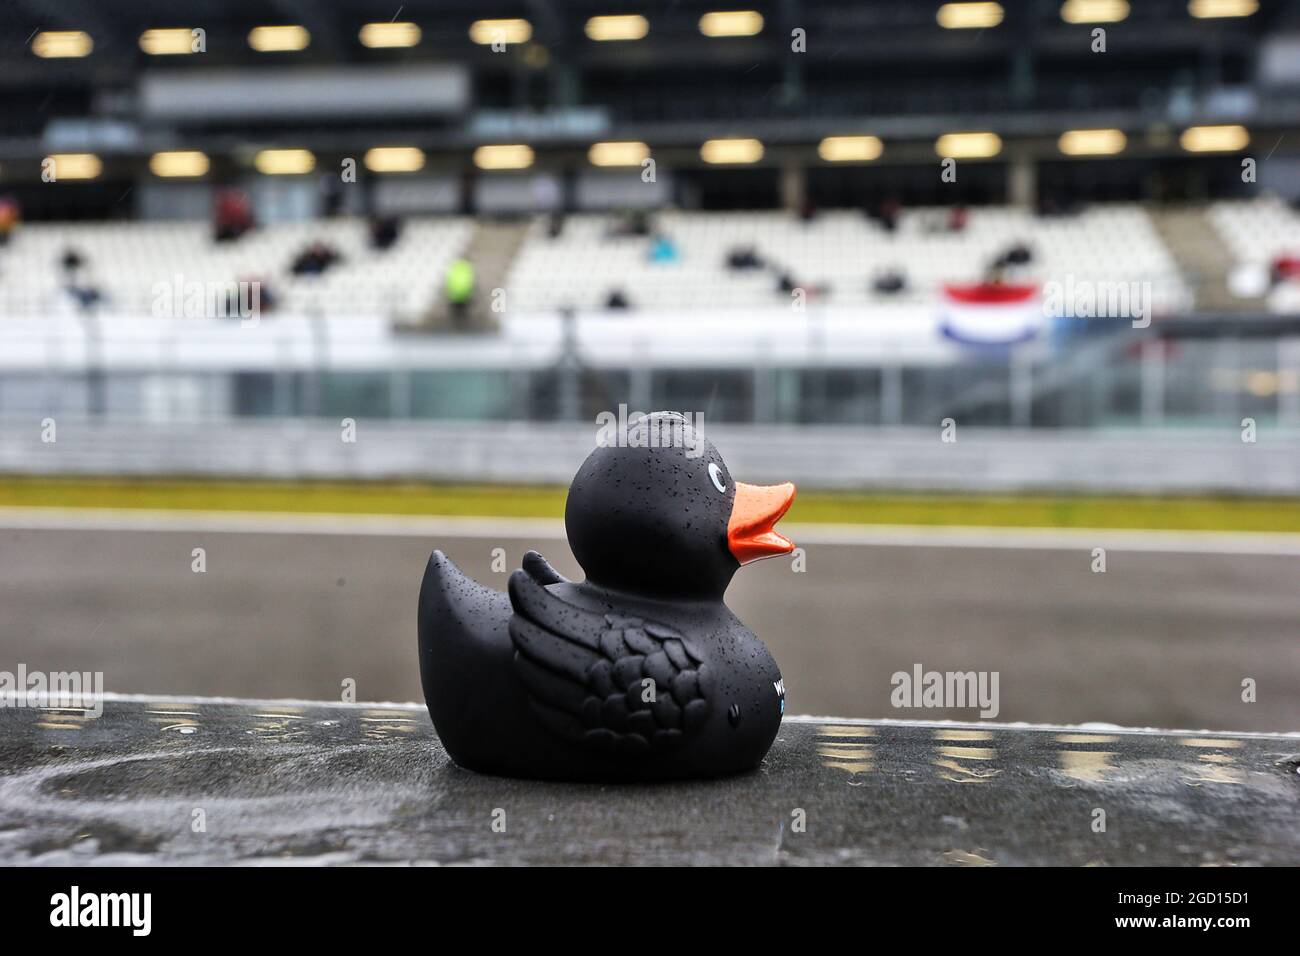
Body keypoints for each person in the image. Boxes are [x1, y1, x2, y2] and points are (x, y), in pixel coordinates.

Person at [445, 258, 475, 326]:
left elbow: (449, 281)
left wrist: (449, 291)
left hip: (455, 294)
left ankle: (457, 323)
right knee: (463, 310)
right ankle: (463, 323)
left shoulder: (454, 268)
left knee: (456, 310)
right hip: (465, 293)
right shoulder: (467, 268)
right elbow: (470, 281)